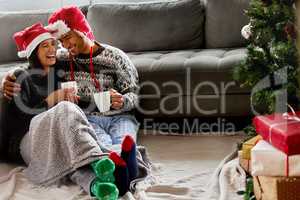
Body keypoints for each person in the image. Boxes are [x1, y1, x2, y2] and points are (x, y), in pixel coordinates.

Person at [1, 22, 139, 199]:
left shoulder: (59, 70)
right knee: (66, 109)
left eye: (53, 44)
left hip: (55, 137)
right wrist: (50, 101)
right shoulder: (21, 77)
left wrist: (106, 99)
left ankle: (98, 186)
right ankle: (101, 160)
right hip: (28, 142)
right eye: (45, 45)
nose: (52, 49)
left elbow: (80, 101)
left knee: (71, 156)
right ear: (33, 52)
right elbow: (20, 121)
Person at [2, 6, 140, 148]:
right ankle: (114, 164)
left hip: (121, 117)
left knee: (125, 145)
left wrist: (123, 101)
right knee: (101, 148)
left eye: (68, 37)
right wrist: (10, 75)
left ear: (81, 29)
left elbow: (135, 96)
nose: (66, 46)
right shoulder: (62, 57)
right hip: (88, 119)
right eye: (61, 41)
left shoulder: (116, 57)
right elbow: (36, 62)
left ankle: (126, 162)